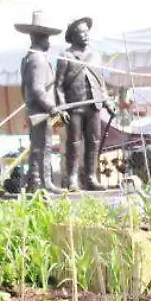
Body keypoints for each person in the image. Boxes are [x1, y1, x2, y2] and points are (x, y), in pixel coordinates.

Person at [56, 16, 114, 191]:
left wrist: (108, 103)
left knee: (94, 142)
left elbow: (100, 83)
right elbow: (58, 85)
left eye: (87, 32)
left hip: (94, 106)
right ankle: (72, 178)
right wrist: (61, 106)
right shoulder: (65, 56)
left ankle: (90, 177)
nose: (86, 35)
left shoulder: (95, 56)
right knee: (74, 142)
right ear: (73, 35)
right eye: (82, 32)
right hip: (74, 107)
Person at [16, 10, 61, 193]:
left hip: (37, 110)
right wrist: (51, 107)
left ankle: (39, 181)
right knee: (43, 147)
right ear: (39, 38)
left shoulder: (30, 57)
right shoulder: (38, 59)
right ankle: (41, 181)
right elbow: (37, 88)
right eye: (46, 38)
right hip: (40, 111)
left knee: (39, 146)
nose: (48, 42)